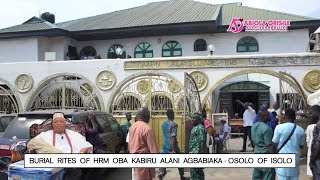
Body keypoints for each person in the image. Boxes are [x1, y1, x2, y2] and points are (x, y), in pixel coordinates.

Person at [28, 112, 93, 154]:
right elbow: (32, 144)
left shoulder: (74, 134)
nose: (59, 123)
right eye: (56, 122)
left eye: (61, 122)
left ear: (65, 124)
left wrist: (82, 151)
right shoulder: (44, 135)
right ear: (52, 124)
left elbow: (86, 145)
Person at [272, 109, 304, 180]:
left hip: (283, 158)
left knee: (282, 177)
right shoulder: (300, 130)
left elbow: (274, 143)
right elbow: (301, 146)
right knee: (294, 177)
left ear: (284, 117)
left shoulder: (278, 128)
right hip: (295, 158)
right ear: (295, 117)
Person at [128, 107, 158, 180]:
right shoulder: (147, 129)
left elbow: (129, 144)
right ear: (146, 116)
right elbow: (153, 150)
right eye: (148, 116)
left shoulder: (132, 127)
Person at [158, 109, 186, 180]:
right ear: (172, 115)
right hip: (173, 146)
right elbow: (173, 137)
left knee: (162, 159)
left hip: (165, 145)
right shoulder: (174, 124)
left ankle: (161, 172)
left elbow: (166, 135)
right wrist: (173, 149)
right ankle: (181, 176)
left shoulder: (163, 124)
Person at [251, 110, 275, 180]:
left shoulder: (254, 126)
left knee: (257, 176)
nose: (270, 116)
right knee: (268, 176)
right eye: (268, 115)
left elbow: (253, 141)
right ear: (264, 117)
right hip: (265, 155)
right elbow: (269, 146)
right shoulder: (267, 129)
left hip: (257, 153)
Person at [189, 112, 206, 180]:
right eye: (192, 118)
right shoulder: (195, 127)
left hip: (197, 153)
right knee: (194, 173)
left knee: (197, 173)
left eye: (194, 118)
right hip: (192, 153)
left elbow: (202, 142)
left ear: (199, 119)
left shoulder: (200, 128)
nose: (192, 120)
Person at [306, 105, 320, 177]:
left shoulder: (314, 126)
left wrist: (312, 158)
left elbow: (316, 144)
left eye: (311, 113)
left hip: (315, 152)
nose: (310, 115)